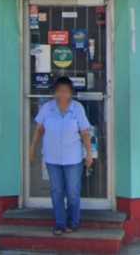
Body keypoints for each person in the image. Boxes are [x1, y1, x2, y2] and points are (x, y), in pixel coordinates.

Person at [30, 76, 94, 235]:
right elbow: (39, 130)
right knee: (57, 191)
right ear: (54, 93)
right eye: (59, 91)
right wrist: (32, 150)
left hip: (73, 158)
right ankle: (60, 223)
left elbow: (85, 132)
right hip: (52, 158)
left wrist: (89, 154)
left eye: (66, 91)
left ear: (71, 93)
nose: (62, 94)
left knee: (73, 192)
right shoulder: (47, 108)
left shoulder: (77, 108)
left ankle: (73, 221)